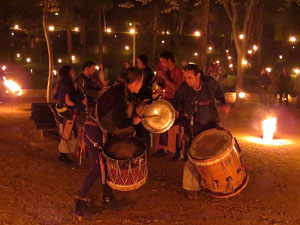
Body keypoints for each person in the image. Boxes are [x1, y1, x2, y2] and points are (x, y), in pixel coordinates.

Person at [75, 67, 144, 218]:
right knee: (96, 168)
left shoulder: (121, 91)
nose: (140, 86)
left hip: (100, 130)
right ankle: (79, 203)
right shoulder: (118, 94)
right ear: (134, 82)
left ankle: (108, 199)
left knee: (104, 166)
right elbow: (119, 122)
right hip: (94, 131)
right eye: (140, 84)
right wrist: (133, 121)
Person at [172, 64, 229, 199]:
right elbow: (176, 105)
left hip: (209, 122)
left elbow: (220, 94)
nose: (187, 80)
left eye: (190, 77)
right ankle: (191, 186)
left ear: (198, 76)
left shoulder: (210, 83)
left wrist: (224, 103)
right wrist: (176, 123)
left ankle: (210, 183)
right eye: (185, 77)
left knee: (211, 153)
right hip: (190, 124)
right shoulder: (184, 88)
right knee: (191, 154)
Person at [153, 51, 184, 159]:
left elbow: (177, 88)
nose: (161, 64)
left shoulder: (178, 72)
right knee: (162, 124)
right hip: (166, 100)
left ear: (169, 61)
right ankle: (162, 148)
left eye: (163, 61)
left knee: (175, 127)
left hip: (175, 101)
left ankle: (178, 151)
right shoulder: (166, 72)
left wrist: (165, 77)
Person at [53, 65, 85, 164]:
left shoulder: (70, 84)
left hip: (70, 113)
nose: (74, 73)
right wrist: (80, 104)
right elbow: (67, 101)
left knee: (69, 133)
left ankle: (64, 154)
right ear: (68, 73)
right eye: (72, 71)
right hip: (67, 113)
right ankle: (62, 155)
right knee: (66, 133)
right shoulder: (65, 85)